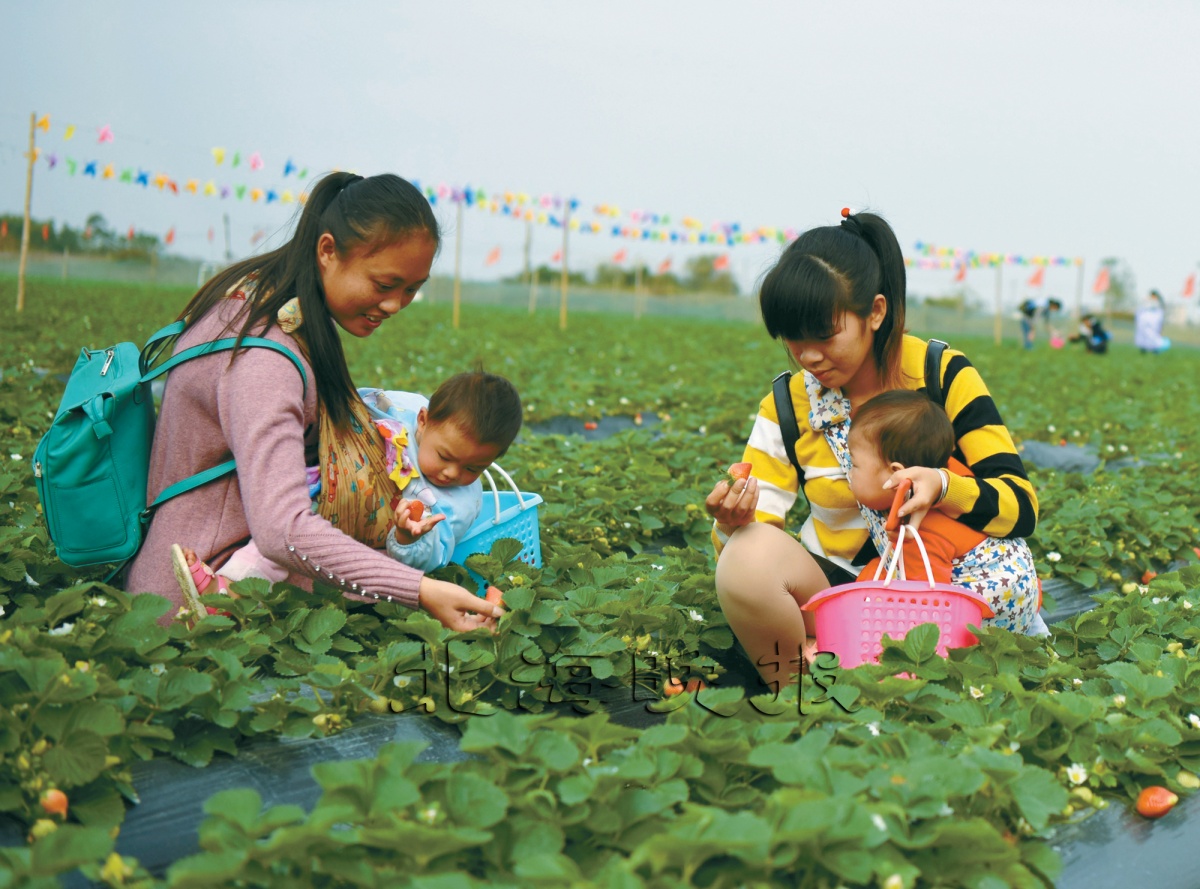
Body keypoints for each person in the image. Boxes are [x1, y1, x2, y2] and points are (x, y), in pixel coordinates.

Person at [126, 171, 503, 632]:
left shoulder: (259, 307)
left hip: (255, 591)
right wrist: (419, 591)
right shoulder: (262, 359)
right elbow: (283, 529)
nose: (395, 304)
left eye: (410, 288)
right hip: (200, 610)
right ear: (327, 251)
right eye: (385, 284)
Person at [705, 209, 1040, 689]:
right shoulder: (789, 404)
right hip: (843, 589)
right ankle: (799, 696)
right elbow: (755, 538)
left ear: (875, 313)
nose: (809, 357)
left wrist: (944, 486)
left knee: (932, 652)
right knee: (745, 558)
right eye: (792, 342)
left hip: (954, 590)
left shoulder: (939, 373)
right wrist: (730, 524)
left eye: (824, 336)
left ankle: (878, 683)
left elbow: (1021, 506)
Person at [173, 371, 523, 607]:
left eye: (473, 468)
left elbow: (433, 559)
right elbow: (362, 404)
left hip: (371, 556)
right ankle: (235, 590)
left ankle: (227, 598)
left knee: (297, 550)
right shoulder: (404, 410)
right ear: (423, 421)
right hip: (336, 496)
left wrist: (407, 537)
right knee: (285, 523)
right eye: (445, 456)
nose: (452, 473)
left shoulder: (459, 503)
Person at [847, 391, 1038, 625]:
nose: (848, 473)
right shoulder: (953, 473)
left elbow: (926, 606)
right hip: (1025, 592)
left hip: (991, 619)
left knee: (877, 582)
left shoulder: (919, 534)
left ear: (896, 473)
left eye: (854, 464)